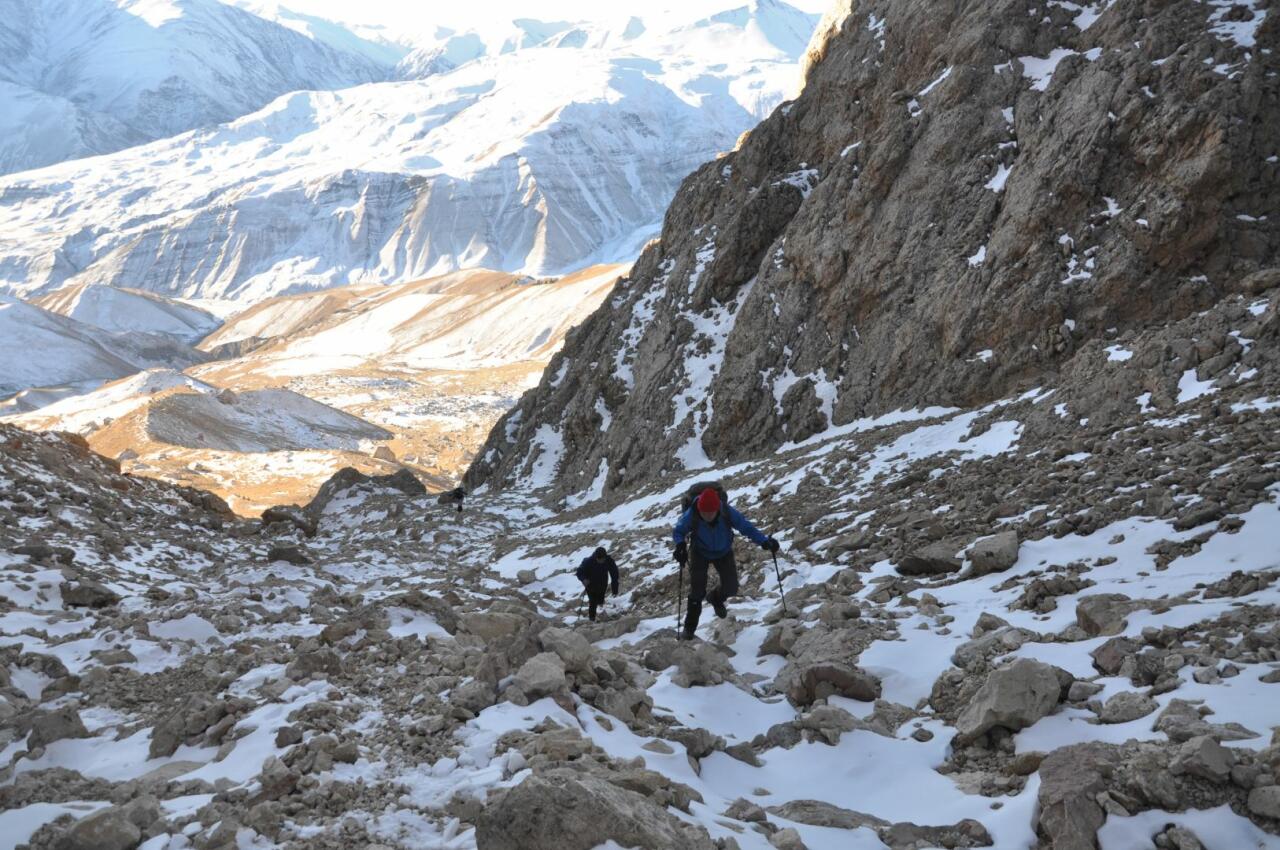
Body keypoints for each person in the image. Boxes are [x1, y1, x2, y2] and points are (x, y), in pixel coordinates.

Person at [673, 487, 779, 639]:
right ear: (699, 509)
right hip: (699, 551)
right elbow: (678, 531)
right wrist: (680, 545)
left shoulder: (727, 512)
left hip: (723, 551)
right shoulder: (692, 514)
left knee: (731, 588)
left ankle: (715, 598)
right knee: (697, 592)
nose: (707, 516)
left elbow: (746, 527)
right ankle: (689, 630)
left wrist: (764, 542)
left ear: (717, 509)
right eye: (704, 513)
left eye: (711, 513)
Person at [575, 547, 619, 622]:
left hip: (603, 583)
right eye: (599, 559)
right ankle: (592, 619)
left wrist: (614, 589)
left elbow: (614, 574)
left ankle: (601, 613)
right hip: (590, 584)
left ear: (605, 557)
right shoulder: (588, 561)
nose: (601, 561)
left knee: (600, 599)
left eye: (602, 559)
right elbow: (579, 572)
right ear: (596, 557)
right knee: (592, 602)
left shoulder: (609, 561)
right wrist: (583, 579)